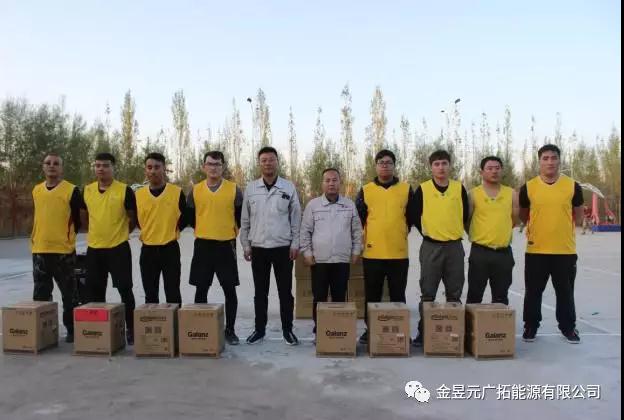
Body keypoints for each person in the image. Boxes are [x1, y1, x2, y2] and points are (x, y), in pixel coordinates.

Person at [519, 144, 584, 344]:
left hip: (564, 251)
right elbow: (523, 216)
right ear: (539, 161)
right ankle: (531, 326)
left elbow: (579, 217)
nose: (550, 162)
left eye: (554, 158)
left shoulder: (572, 186)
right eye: (545, 158)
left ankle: (568, 327)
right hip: (536, 250)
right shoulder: (528, 187)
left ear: (559, 160)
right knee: (533, 292)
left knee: (565, 293)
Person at [240, 146, 302, 345]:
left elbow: (296, 219)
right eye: (264, 160)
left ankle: (287, 330)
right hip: (258, 248)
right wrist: (246, 245)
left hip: (283, 248)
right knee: (260, 293)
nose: (268, 163)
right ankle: (259, 330)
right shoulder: (251, 189)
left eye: (271, 160)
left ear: (277, 162)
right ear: (259, 163)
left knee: (285, 293)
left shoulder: (288, 187)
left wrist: (295, 243)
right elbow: (245, 220)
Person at [355, 149, 415, 345]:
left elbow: (412, 217)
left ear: (394, 166)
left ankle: (400, 329)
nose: (385, 166)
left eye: (389, 162)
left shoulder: (406, 189)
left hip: (399, 253)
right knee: (372, 296)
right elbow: (359, 218)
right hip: (373, 253)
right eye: (381, 162)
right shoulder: (366, 190)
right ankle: (370, 330)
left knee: (398, 295)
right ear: (376, 166)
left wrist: (400, 231)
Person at [412, 150, 469, 347]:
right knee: (428, 292)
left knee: (454, 293)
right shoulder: (423, 189)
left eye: (444, 163)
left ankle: (454, 331)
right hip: (431, 247)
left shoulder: (458, 188)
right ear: (431, 167)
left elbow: (465, 214)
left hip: (454, 247)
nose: (441, 167)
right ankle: (424, 331)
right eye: (436, 164)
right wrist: (429, 233)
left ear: (450, 165)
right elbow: (414, 215)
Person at [187, 151, 243, 345]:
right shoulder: (195, 191)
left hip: (226, 245)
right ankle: (201, 328)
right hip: (203, 245)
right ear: (204, 167)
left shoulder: (234, 189)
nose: (213, 168)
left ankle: (230, 330)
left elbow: (240, 216)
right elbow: (191, 217)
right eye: (210, 164)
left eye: (217, 164)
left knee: (230, 289)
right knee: (201, 288)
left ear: (223, 167)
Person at [82, 152, 137, 345]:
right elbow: (84, 217)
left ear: (113, 168)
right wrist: (94, 233)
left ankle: (131, 329)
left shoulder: (124, 190)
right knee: (95, 292)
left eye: (105, 165)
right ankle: (98, 330)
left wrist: (120, 234)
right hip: (94, 249)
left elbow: (132, 218)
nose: (101, 169)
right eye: (97, 165)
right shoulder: (87, 190)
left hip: (118, 248)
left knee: (125, 290)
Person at [300, 168, 362, 337]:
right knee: (319, 297)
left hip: (341, 260)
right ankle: (319, 329)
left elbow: (356, 230)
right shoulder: (313, 206)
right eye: (327, 180)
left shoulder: (349, 205)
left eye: (334, 180)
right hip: (319, 260)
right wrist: (307, 253)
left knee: (339, 297)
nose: (331, 184)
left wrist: (356, 250)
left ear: (340, 183)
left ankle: (338, 328)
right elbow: (305, 231)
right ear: (322, 184)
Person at [30, 153, 83, 343]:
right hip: (40, 249)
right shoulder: (36, 190)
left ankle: (72, 330)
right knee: (41, 294)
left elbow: (78, 220)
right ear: (43, 167)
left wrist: (67, 237)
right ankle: (43, 331)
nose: (51, 166)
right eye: (48, 163)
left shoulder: (71, 190)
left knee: (69, 295)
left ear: (61, 168)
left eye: (56, 163)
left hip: (63, 252)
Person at [466, 156, 519, 305]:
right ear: (481, 172)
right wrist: (479, 234)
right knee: (474, 295)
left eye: (497, 168)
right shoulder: (473, 194)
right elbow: (467, 221)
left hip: (503, 253)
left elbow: (514, 219)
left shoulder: (511, 193)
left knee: (501, 297)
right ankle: (471, 321)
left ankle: (499, 321)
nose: (494, 171)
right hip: (480, 252)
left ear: (502, 170)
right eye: (489, 168)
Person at [135, 152, 185, 305]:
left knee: (173, 293)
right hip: (148, 250)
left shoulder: (177, 192)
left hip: (170, 249)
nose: (153, 171)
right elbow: (137, 220)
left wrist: (170, 230)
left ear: (164, 169)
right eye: (149, 167)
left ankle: (174, 321)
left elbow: (184, 219)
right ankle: (153, 320)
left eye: (157, 167)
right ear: (145, 170)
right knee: (150, 295)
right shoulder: (138, 195)